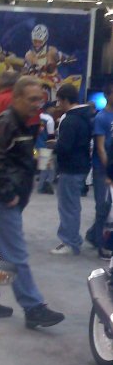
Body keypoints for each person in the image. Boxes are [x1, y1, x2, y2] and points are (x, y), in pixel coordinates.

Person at [0, 76, 64, 329]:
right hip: (0, 199)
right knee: (15, 254)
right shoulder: (7, 123)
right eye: (32, 99)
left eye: (40, 100)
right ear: (17, 98)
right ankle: (33, 306)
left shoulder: (21, 123)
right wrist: (7, 193)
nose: (37, 104)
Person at [50, 84, 91, 256]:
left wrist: (54, 145)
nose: (58, 105)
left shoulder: (70, 120)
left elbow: (65, 146)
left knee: (68, 206)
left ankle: (69, 241)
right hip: (81, 165)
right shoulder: (86, 116)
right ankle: (73, 238)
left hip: (70, 168)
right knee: (73, 205)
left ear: (66, 100)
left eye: (59, 101)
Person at [85, 83, 113, 259]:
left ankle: (93, 235)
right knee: (102, 206)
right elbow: (100, 147)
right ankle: (101, 244)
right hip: (102, 168)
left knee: (109, 205)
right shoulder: (101, 118)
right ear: (107, 95)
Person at [36, 102, 56, 194]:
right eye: (53, 107)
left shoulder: (38, 116)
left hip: (35, 147)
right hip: (45, 146)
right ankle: (42, 186)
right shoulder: (50, 120)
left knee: (44, 167)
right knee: (48, 168)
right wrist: (52, 147)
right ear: (48, 108)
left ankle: (43, 185)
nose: (54, 109)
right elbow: (51, 137)